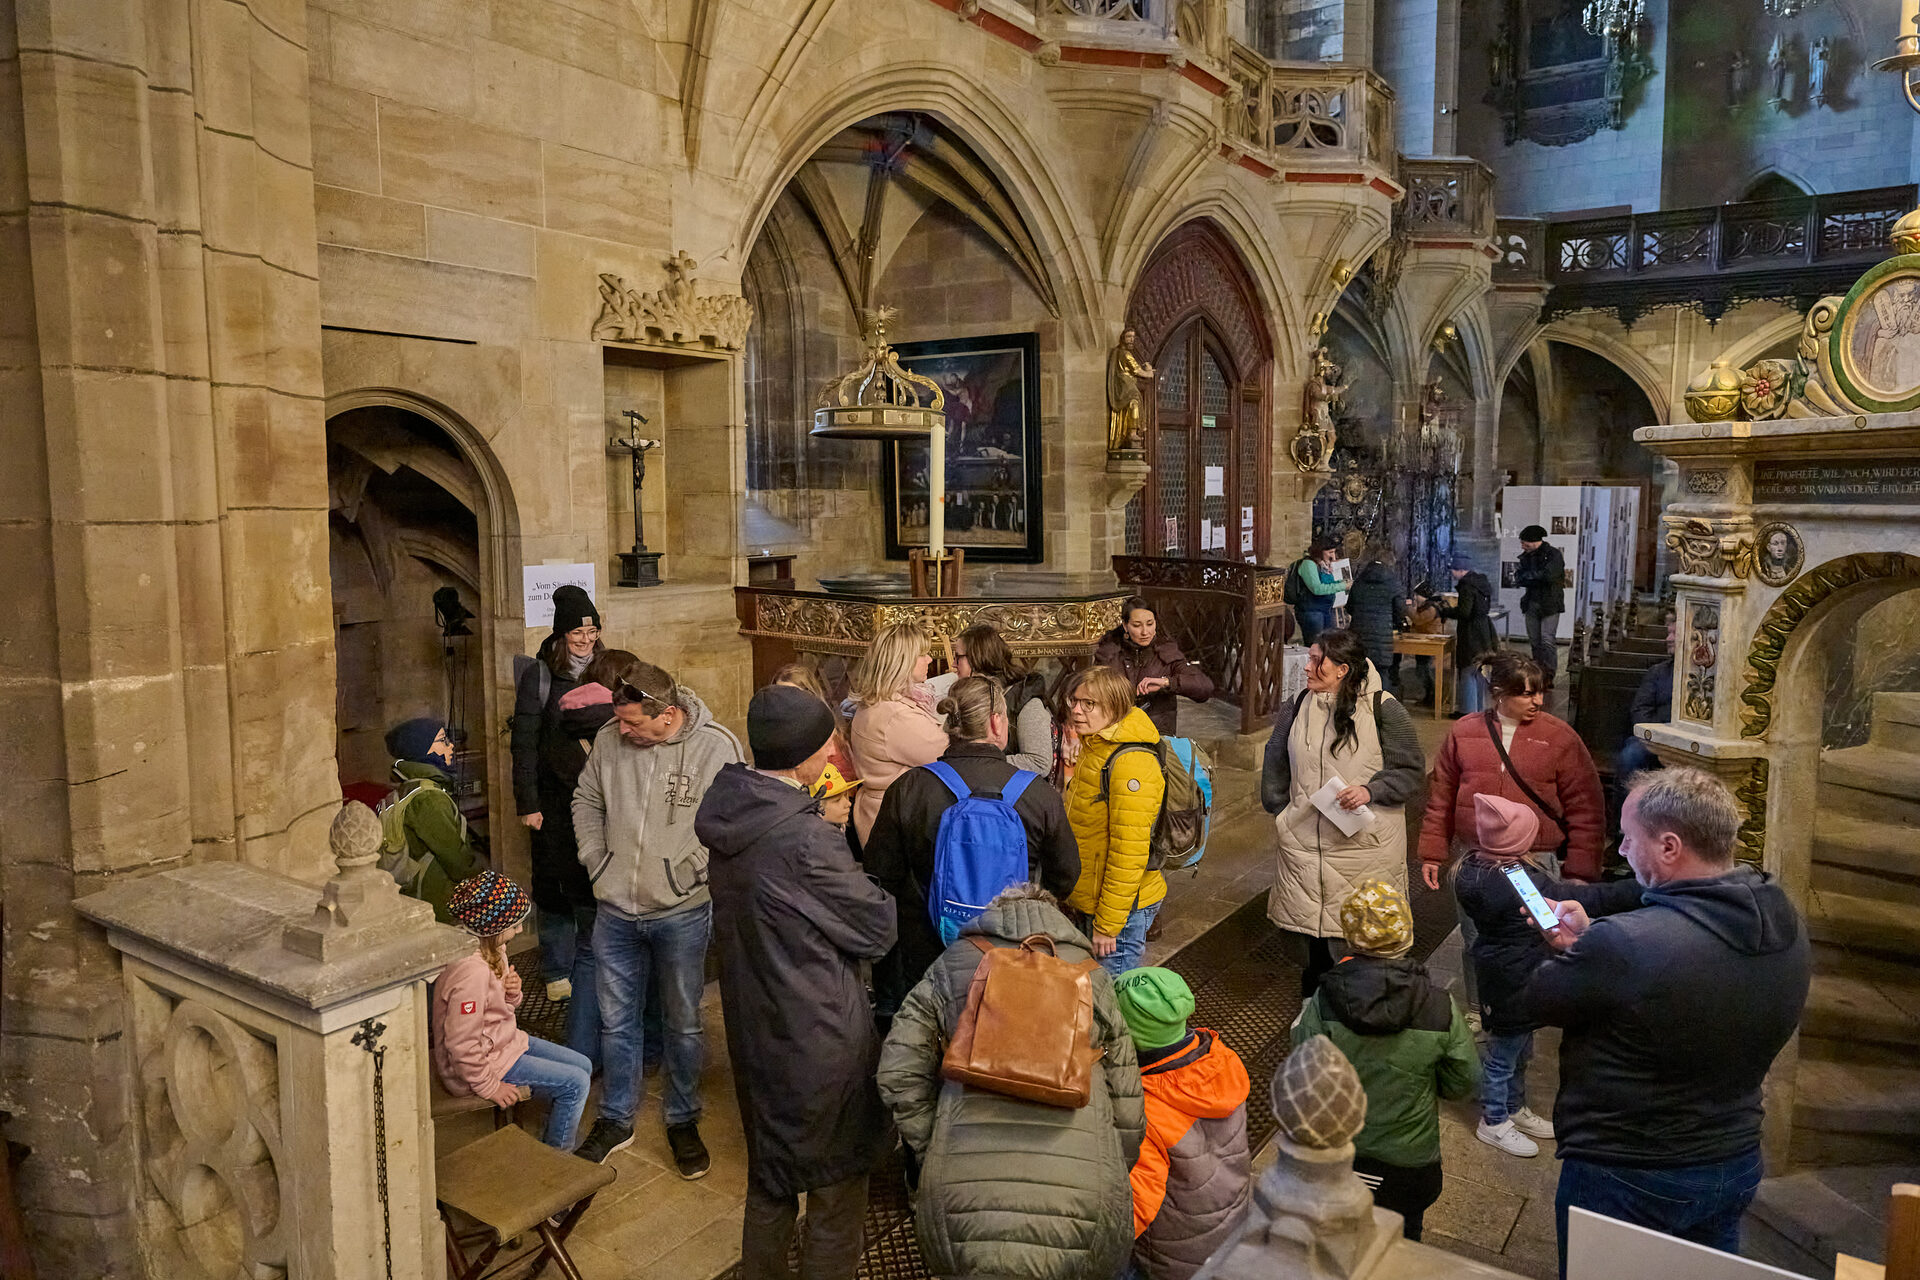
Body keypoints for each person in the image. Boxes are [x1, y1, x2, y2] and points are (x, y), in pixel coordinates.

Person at [1521, 769, 1810, 1273]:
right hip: (1734, 1158)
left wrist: (1590, 948)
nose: (1621, 850)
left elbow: (1538, 999)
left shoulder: (1628, 944)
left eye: (1628, 838)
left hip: (1632, 1169)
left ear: (1670, 846)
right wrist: (1597, 942)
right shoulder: (1785, 919)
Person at [695, 685, 898, 1280]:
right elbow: (876, 927)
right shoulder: (804, 838)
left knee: (772, 1178)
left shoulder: (734, 809)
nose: (834, 751)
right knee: (837, 1190)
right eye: (826, 742)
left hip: (756, 1024)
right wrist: (838, 845)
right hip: (815, 1033)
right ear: (803, 753)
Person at [876, 883, 1143, 1280]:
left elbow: (899, 1069)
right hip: (1084, 1194)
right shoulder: (1094, 976)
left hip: (962, 1195)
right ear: (1058, 918)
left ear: (993, 913)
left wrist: (932, 1143)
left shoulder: (952, 964)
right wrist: (1112, 1163)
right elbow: (1127, 1100)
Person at [570, 660, 742, 1174]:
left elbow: (731, 824)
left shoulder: (716, 747)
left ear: (666, 714)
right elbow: (586, 799)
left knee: (684, 1022)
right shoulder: (609, 739)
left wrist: (686, 875)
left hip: (682, 913)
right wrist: (597, 861)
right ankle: (616, 1117)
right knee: (616, 1021)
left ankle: (682, 1118)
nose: (621, 731)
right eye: (618, 720)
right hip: (614, 910)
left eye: (632, 723)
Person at [863, 676, 1080, 1011]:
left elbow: (880, 872)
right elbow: (1066, 875)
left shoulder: (910, 787)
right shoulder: (1038, 794)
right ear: (996, 722)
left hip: (926, 951)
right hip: (1011, 949)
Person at [1453, 794, 1641, 1160]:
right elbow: (1569, 904)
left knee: (1518, 1048)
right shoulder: (1519, 883)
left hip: (1505, 972)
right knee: (1502, 1056)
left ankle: (1514, 1107)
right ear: (1518, 843)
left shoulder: (1474, 869)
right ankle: (1493, 1120)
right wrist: (1638, 890)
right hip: (1515, 976)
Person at [1292, 879, 1478, 1241]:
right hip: (1410, 1160)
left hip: (1340, 1153)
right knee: (1405, 1240)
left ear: (1349, 939)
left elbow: (1305, 1077)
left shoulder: (1324, 1001)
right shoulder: (1439, 1006)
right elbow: (1465, 1080)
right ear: (1405, 937)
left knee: (1341, 1241)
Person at [1259, 629, 1423, 997]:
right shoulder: (1298, 704)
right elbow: (1275, 759)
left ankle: (1358, 1015)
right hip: (1305, 845)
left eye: (1317, 660)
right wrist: (1283, 813)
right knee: (1311, 945)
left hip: (1364, 849)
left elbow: (1410, 770)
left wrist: (1370, 790)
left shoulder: (1383, 707)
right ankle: (1314, 1010)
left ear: (1342, 669)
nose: (1308, 667)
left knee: (1359, 946)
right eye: (1310, 658)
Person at [431, 871, 593, 1150]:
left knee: (584, 1065)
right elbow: (461, 1044)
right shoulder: (470, 973)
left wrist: (511, 993)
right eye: (515, 924)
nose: (519, 930)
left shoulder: (494, 949)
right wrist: (490, 1086)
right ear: (493, 926)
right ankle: (557, 1156)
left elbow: (497, 1011)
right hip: (478, 1066)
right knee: (576, 1083)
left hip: (502, 1042)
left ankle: (555, 1126)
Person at [1117, 967, 1251, 1280]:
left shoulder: (1146, 1111)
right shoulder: (1223, 1060)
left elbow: (1133, 1213)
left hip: (1173, 1257)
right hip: (1231, 1228)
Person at [510, 584, 604, 1003]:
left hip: (598, 800)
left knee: (592, 883)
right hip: (553, 801)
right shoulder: (541, 675)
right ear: (562, 635)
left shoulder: (605, 668)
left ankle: (592, 960)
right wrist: (528, 803)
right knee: (555, 886)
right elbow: (524, 744)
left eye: (592, 631)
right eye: (577, 633)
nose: (586, 640)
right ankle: (556, 968)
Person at [1061, 666, 1168, 976]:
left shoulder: (1130, 764)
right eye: (1074, 701)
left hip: (1121, 911)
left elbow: (1128, 854)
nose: (1077, 711)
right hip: (1094, 900)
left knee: (1113, 994)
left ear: (1115, 706)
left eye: (1088, 704)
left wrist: (1108, 924)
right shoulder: (1096, 746)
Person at [847, 621, 949, 848]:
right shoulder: (896, 716)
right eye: (922, 654)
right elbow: (949, 756)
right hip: (898, 823)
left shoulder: (881, 702)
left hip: (885, 815)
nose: (929, 660)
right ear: (902, 661)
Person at [379, 717, 484, 924]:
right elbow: (455, 859)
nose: (451, 746)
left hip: (422, 896)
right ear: (423, 750)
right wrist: (482, 883)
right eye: (443, 741)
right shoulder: (429, 798)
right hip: (437, 900)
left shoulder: (411, 787)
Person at [1093, 598, 1215, 737]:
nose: (1145, 632)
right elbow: (1091, 693)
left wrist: (1167, 682)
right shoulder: (1109, 654)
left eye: (1150, 624)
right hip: (1116, 733)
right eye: (1137, 625)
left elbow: (1205, 688)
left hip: (1157, 735)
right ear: (1125, 626)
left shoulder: (1166, 652)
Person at [952, 622, 1054, 773]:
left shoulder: (1025, 700)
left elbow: (1039, 762)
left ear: (977, 659)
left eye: (958, 657)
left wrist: (976, 764)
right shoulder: (969, 695)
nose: (953, 664)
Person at [1415, 551, 1497, 715]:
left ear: (1460, 569)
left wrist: (1445, 611)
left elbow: (1464, 612)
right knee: (1478, 672)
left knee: (1467, 671)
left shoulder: (1467, 586)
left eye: (1453, 569)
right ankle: (1479, 710)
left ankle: (1467, 712)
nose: (1451, 573)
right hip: (1484, 631)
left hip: (1471, 633)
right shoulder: (1480, 583)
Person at [773, 660, 857, 782]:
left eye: (793, 695)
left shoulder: (825, 731)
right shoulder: (777, 729)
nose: (785, 702)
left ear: (810, 696)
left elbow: (843, 778)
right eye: (778, 696)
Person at [1616, 613, 1675, 780]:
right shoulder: (1658, 672)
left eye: (1675, 634)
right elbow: (1640, 711)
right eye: (1668, 633)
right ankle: (1627, 798)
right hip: (1656, 737)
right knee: (1631, 754)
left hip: (1690, 741)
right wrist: (1659, 736)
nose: (1668, 639)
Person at [1345, 548, 1407, 695]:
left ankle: (1359, 705)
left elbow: (1350, 607)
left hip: (1359, 633)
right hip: (1381, 635)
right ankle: (1381, 706)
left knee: (1359, 673)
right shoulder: (1393, 582)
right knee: (1382, 673)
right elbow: (1400, 610)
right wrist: (1397, 623)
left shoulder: (1360, 580)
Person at [1515, 524, 1566, 686]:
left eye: (1524, 543)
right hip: (1532, 602)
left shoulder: (1553, 555)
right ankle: (1538, 674)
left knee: (1547, 640)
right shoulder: (1526, 557)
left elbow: (1549, 576)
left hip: (1550, 603)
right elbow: (1520, 577)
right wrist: (1534, 577)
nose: (1523, 546)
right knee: (1535, 641)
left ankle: (1548, 675)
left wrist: (1530, 577)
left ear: (1534, 541)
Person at [1290, 537, 1344, 645]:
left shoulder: (1324, 565)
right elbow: (1317, 588)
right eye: (1330, 552)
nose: (1333, 556)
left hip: (1326, 609)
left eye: (1334, 552)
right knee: (1316, 644)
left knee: (1329, 644)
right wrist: (1342, 586)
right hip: (1312, 611)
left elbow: (1330, 583)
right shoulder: (1308, 564)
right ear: (1320, 551)